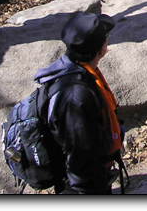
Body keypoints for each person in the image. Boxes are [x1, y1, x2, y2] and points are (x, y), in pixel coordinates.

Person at [33, 11, 122, 194]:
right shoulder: (76, 96)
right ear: (101, 49)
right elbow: (82, 161)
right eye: (107, 38)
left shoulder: (73, 70)